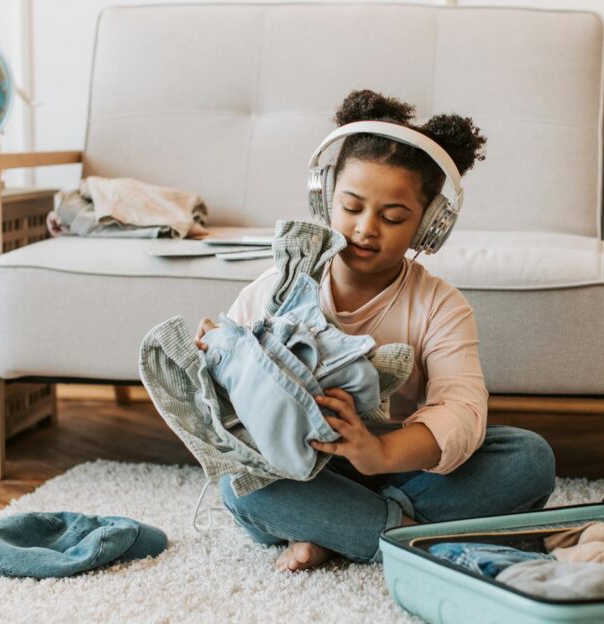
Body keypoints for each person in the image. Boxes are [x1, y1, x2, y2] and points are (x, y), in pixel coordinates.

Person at [197, 89, 556, 572]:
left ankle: (339, 532)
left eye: (393, 217)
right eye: (352, 207)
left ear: (428, 227)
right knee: (239, 484)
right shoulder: (274, 287)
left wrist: (379, 451)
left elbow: (462, 409)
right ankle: (402, 535)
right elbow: (228, 412)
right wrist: (218, 356)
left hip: (402, 464)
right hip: (305, 471)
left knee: (528, 457)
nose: (367, 228)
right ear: (324, 199)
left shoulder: (441, 305)